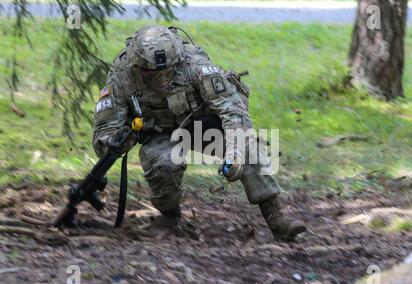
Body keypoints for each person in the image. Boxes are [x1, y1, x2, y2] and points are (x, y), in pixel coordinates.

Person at [93, 25, 306, 241]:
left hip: (201, 126)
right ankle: (170, 218)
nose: (161, 79)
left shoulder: (194, 65)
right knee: (163, 164)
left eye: (167, 71)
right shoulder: (121, 77)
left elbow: (234, 111)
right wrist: (117, 142)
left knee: (248, 147)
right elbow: (104, 131)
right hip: (158, 134)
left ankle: (276, 217)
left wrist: (234, 154)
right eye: (152, 74)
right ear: (137, 67)